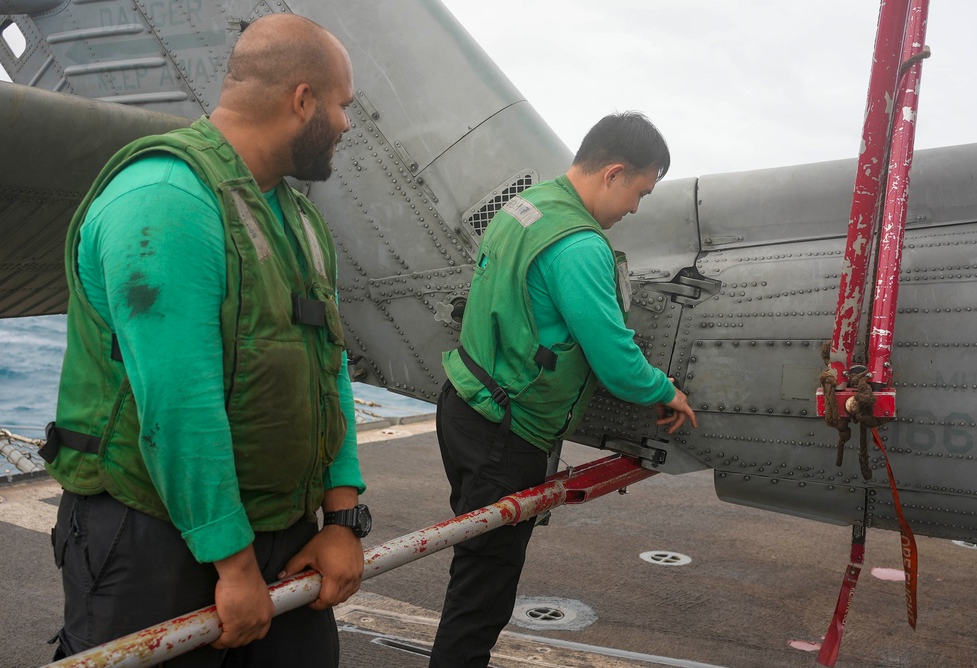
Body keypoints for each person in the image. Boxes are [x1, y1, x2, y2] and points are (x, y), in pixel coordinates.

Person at [42, 14, 370, 667]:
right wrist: (234, 564)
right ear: (301, 100)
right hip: (151, 538)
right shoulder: (166, 198)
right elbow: (177, 403)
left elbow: (326, 368)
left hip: (278, 531)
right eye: (341, 105)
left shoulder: (297, 218)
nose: (346, 124)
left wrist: (341, 521)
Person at [430, 112, 698, 668]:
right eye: (639, 192)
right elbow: (615, 359)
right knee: (481, 598)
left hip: (464, 406)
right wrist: (665, 391)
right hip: (505, 435)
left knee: (476, 576)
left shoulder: (526, 207)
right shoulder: (580, 245)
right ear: (614, 173)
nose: (633, 209)